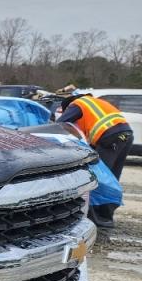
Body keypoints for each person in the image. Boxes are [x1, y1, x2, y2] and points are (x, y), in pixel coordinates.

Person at [57, 89, 133, 227]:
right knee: (112, 177)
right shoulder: (96, 102)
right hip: (125, 135)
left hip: (110, 137)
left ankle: (95, 217)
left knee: (98, 177)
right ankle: (106, 215)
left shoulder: (77, 104)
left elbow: (59, 124)